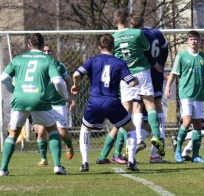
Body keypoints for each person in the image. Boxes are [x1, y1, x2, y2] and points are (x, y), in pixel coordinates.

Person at [96, 9, 165, 164]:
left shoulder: (113, 39)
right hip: (142, 72)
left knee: (124, 114)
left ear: (114, 21)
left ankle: (118, 152)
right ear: (127, 19)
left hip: (125, 76)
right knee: (150, 104)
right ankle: (155, 136)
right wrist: (154, 63)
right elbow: (148, 51)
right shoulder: (137, 34)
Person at [0, 33, 72, 176]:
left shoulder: (18, 59)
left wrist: (15, 91)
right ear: (42, 44)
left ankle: (3, 169)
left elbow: (4, 78)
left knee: (13, 133)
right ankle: (57, 165)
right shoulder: (48, 59)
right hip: (39, 98)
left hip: (20, 98)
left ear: (29, 46)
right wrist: (66, 96)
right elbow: (58, 81)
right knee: (52, 130)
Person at [71, 34, 140, 171]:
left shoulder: (92, 60)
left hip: (95, 101)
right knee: (131, 129)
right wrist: (137, 79)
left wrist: (76, 86)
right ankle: (131, 162)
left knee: (85, 129)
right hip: (112, 101)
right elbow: (132, 83)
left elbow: (76, 74)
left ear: (99, 47)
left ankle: (85, 163)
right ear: (113, 47)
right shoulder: (119, 62)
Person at [164, 30, 204, 163]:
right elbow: (174, 73)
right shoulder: (181, 56)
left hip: (199, 95)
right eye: (191, 39)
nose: (194, 41)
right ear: (188, 41)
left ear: (199, 41)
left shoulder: (203, 58)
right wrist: (167, 87)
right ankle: (178, 151)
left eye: (196, 39)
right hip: (185, 94)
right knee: (187, 121)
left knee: (198, 125)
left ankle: (196, 155)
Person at [129, 13, 169, 163]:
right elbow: (165, 50)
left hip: (139, 73)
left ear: (130, 24)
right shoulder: (157, 32)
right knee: (157, 107)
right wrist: (160, 64)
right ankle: (155, 153)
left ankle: (137, 141)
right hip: (157, 72)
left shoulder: (133, 35)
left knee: (137, 106)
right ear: (144, 20)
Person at [34, 45, 76, 166]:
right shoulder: (37, 66)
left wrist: (71, 98)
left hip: (58, 104)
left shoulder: (58, 65)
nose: (47, 52)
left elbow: (68, 81)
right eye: (44, 50)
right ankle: (43, 158)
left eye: (49, 50)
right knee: (41, 130)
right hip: (43, 104)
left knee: (62, 132)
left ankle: (69, 144)